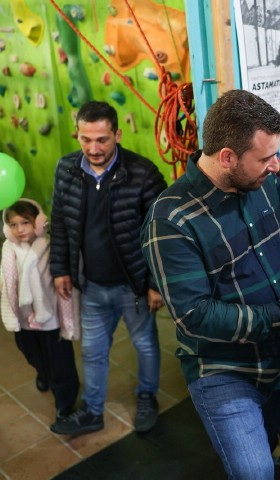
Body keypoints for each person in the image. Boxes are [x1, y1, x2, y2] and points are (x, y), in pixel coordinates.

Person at [140, 89, 280, 480]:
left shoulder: (261, 185)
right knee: (255, 471)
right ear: (227, 157)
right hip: (224, 371)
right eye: (265, 158)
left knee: (272, 438)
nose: (275, 166)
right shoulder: (170, 221)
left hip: (278, 358)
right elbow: (195, 316)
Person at [49, 101, 168, 436]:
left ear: (117, 134)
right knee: (92, 352)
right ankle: (92, 411)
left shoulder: (143, 172)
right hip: (92, 285)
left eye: (101, 139)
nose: (93, 148)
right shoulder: (66, 168)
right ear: (77, 135)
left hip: (134, 285)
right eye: (85, 139)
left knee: (145, 345)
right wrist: (60, 269)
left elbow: (163, 234)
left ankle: (147, 397)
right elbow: (59, 222)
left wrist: (156, 283)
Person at [1, 199, 80, 427]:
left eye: (25, 222)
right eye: (14, 225)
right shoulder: (9, 249)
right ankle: (43, 372)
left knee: (60, 362)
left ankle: (65, 403)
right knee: (30, 352)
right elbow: (6, 281)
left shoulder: (50, 246)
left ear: (38, 222)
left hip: (50, 317)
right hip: (23, 318)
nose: (20, 229)